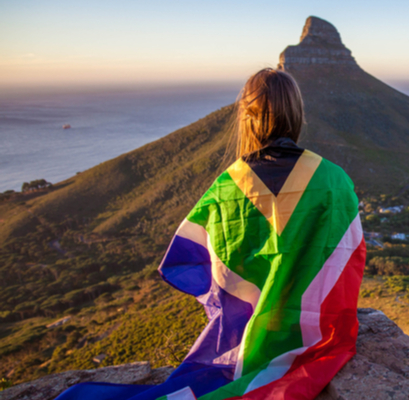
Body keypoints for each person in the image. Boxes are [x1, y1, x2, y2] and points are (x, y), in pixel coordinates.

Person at [55, 68, 366, 400]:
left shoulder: (228, 187)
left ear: (247, 117)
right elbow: (347, 260)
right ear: (297, 115)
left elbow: (193, 260)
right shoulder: (334, 180)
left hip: (244, 338)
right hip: (316, 334)